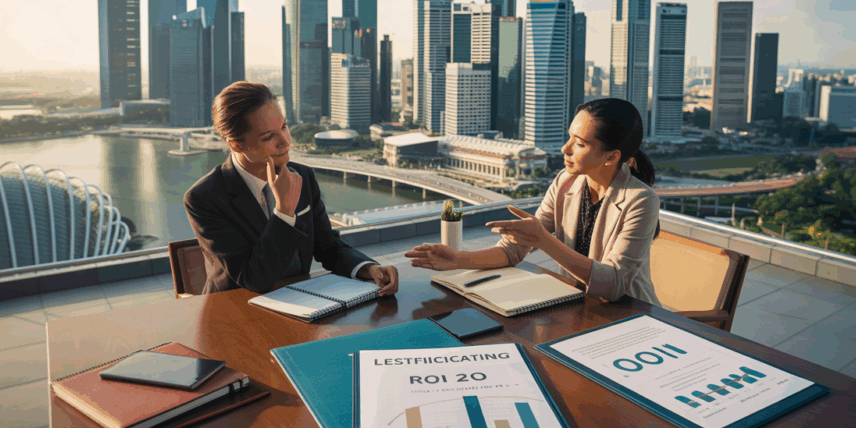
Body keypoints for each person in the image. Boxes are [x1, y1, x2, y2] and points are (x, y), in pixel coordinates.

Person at [406, 98, 662, 307]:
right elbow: (512, 251)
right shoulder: (565, 182)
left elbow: (614, 286)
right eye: (569, 137)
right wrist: (458, 260)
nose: (565, 148)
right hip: (577, 305)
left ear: (611, 157)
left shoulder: (641, 200)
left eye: (579, 143)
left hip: (630, 313)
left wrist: (543, 239)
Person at [184, 82, 399, 296]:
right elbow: (254, 279)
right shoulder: (204, 198)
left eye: (284, 127)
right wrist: (284, 211)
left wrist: (368, 268)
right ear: (236, 145)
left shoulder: (302, 176)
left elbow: (328, 246)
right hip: (236, 309)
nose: (285, 142)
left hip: (300, 300)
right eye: (268, 137)